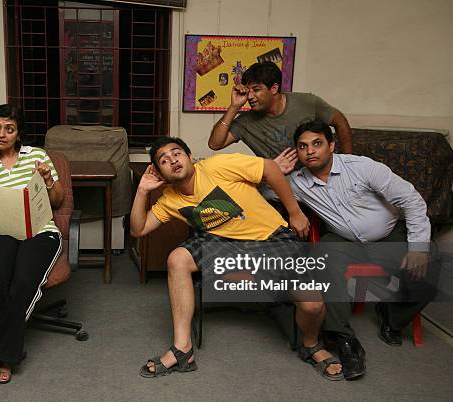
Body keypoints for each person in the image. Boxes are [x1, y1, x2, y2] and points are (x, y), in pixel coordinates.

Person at [131, 136, 345, 381]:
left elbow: (271, 168)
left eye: (177, 153)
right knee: (177, 258)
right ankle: (183, 350)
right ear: (160, 173)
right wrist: (142, 191)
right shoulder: (169, 200)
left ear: (190, 158)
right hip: (222, 244)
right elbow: (139, 229)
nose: (173, 160)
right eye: (164, 160)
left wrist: (295, 212)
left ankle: (311, 345)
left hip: (271, 238)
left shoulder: (216, 166)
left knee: (313, 305)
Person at [273, 120, 439, 379]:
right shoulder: (296, 182)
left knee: (433, 263)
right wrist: (274, 170)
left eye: (317, 143)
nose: (310, 151)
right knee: (321, 263)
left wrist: (418, 247)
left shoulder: (362, 167)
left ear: (332, 145)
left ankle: (392, 317)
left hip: (388, 236)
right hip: (342, 241)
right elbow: (260, 193)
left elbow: (411, 200)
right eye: (303, 146)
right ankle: (344, 340)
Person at [0, 104, 64, 393]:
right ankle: (6, 355)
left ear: (18, 133)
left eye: (9, 129)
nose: (1, 133)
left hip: (39, 231)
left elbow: (58, 200)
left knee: (24, 280)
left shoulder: (36, 155)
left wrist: (49, 181)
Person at [208, 61, 353, 158]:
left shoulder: (307, 101)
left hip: (315, 177)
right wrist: (234, 107)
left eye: (256, 90)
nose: (250, 96)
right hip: (279, 184)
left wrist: (348, 163)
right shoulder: (246, 122)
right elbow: (215, 144)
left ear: (274, 88)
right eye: (247, 91)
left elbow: (340, 121)